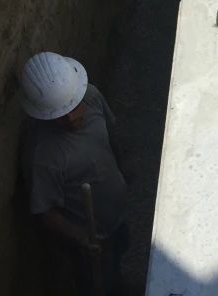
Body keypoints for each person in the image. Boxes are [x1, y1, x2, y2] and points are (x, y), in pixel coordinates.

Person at [20, 52, 128, 296]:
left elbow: (112, 135)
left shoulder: (92, 96)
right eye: (59, 115)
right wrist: (82, 239)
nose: (70, 118)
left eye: (73, 106)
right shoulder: (44, 155)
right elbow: (45, 211)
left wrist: (124, 169)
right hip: (92, 238)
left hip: (116, 214)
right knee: (98, 285)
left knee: (121, 253)